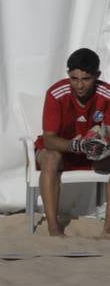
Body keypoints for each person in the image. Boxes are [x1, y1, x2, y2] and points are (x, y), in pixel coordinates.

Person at [35, 47, 110, 237]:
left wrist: (102, 143)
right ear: (68, 74)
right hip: (59, 151)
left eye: (86, 79)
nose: (79, 85)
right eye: (74, 78)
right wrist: (76, 145)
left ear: (97, 75)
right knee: (50, 158)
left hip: (92, 155)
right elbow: (49, 139)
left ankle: (108, 231)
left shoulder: (107, 94)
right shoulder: (56, 92)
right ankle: (54, 229)